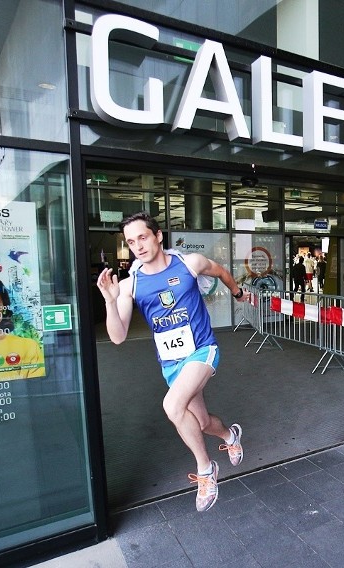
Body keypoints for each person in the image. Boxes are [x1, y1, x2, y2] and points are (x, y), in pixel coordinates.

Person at [96, 211, 249, 512]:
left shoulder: (189, 264)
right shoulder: (130, 285)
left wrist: (237, 291)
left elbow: (218, 270)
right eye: (130, 241)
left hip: (202, 350)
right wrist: (110, 302)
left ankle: (206, 470)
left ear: (157, 236)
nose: (137, 245)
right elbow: (117, 336)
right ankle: (230, 434)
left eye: (142, 237)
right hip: (172, 362)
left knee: (172, 406)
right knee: (201, 422)